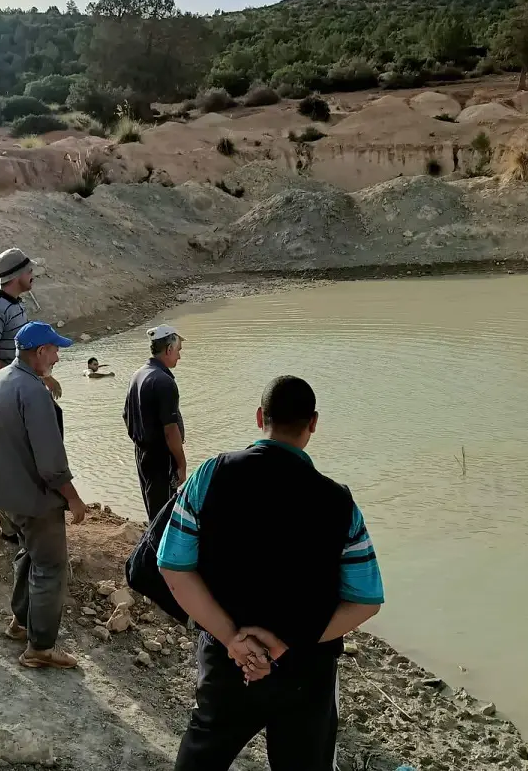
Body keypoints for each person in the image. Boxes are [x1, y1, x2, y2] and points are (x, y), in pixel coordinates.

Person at [157, 375, 385, 771]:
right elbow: (365, 600)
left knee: (202, 757)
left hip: (228, 663)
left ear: (261, 416)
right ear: (313, 423)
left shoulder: (211, 475)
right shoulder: (338, 501)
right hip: (305, 671)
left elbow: (173, 567)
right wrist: (286, 643)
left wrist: (232, 639)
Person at [0, 321, 87, 670]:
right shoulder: (34, 391)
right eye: (54, 350)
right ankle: (41, 648)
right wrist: (74, 498)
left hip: (5, 493)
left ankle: (21, 623)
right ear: (39, 353)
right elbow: (51, 463)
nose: (58, 357)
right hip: (35, 498)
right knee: (51, 566)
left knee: (28, 555)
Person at [0, 248, 63, 543]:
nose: (32, 275)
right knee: (9, 454)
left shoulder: (16, 304)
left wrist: (43, 377)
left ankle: (26, 515)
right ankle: (12, 528)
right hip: (4, 388)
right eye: (29, 271)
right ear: (16, 276)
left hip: (19, 384)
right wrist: (22, 377)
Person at [123, 324, 187, 521]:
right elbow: (170, 430)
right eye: (178, 351)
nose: (179, 357)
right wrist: (181, 464)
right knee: (165, 515)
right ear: (168, 349)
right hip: (160, 458)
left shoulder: (138, 374)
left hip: (143, 453)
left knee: (154, 508)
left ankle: (155, 545)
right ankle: (158, 550)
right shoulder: (164, 382)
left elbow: (126, 415)